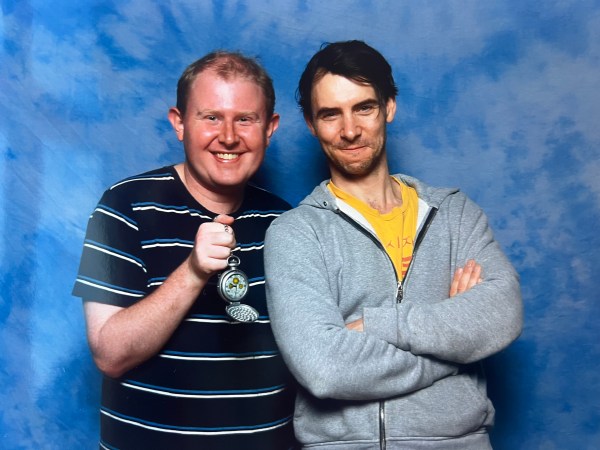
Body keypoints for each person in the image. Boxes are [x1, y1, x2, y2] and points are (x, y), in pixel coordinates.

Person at [264, 40, 523, 449]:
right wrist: (457, 346)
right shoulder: (296, 232)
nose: (350, 130)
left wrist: (380, 325)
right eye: (331, 114)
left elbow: (502, 313)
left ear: (389, 107)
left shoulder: (454, 213)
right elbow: (325, 368)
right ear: (311, 124)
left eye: (363, 108)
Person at [73, 51, 296, 449]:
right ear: (179, 123)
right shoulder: (123, 207)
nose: (228, 136)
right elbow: (110, 354)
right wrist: (193, 272)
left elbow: (314, 344)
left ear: (270, 128)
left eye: (245, 119)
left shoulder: (287, 223)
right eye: (211, 117)